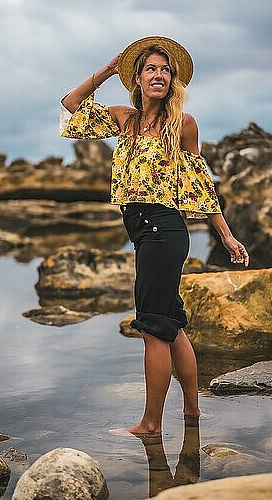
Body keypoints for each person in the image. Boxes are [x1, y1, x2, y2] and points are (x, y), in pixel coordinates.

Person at [59, 35, 249, 437]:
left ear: (172, 80)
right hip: (145, 232)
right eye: (151, 69)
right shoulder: (124, 120)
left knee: (151, 327)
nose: (159, 74)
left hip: (164, 229)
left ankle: (150, 424)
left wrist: (227, 236)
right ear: (138, 79)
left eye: (165, 70)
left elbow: (201, 185)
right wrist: (108, 70)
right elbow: (71, 106)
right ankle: (193, 413)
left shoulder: (182, 124)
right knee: (172, 323)